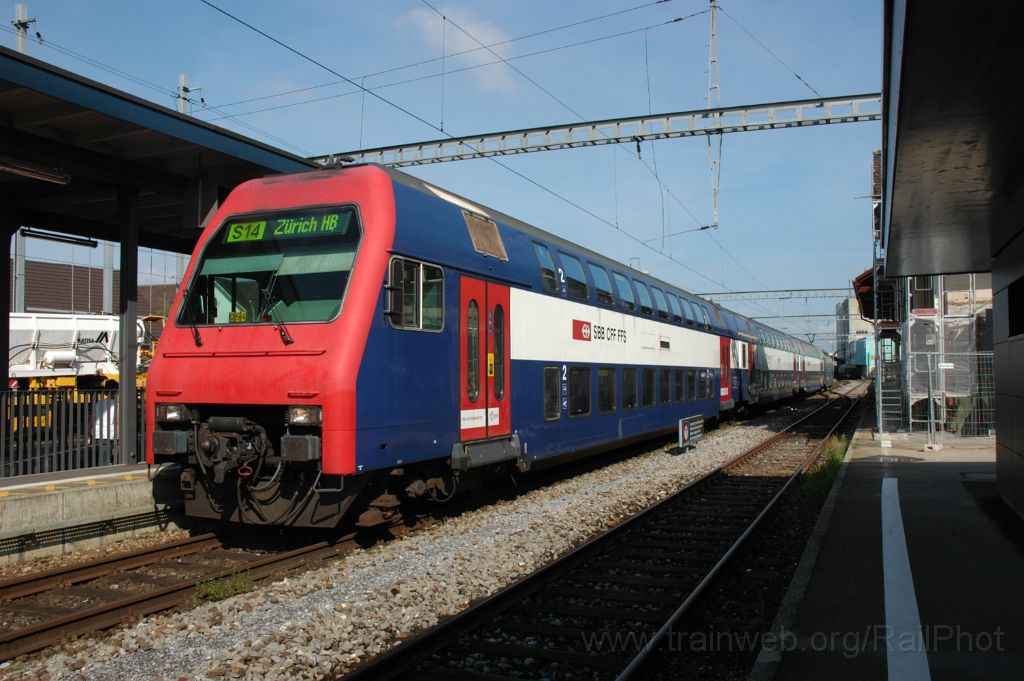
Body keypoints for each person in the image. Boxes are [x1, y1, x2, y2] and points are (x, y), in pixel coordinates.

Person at [92, 396, 119, 466]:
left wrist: (88, 433)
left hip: (97, 433)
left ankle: (101, 468)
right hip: (109, 433)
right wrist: (118, 435)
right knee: (107, 457)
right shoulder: (116, 403)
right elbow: (117, 421)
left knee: (101, 456)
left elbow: (92, 418)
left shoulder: (99, 403)